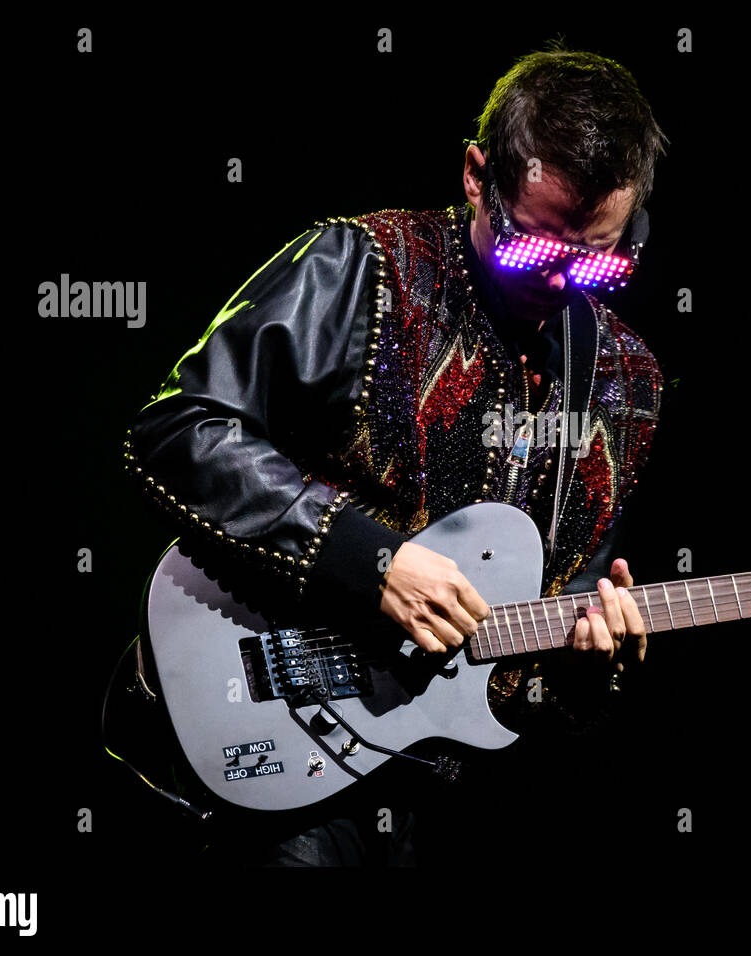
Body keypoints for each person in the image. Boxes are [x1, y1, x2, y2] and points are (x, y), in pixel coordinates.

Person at [119, 44, 668, 865]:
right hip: (276, 751)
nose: (562, 283)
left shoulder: (626, 380)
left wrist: (591, 667)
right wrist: (369, 560)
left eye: (597, 259)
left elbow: (550, 640)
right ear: (477, 176)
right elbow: (179, 430)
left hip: (452, 796)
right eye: (533, 249)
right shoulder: (359, 266)